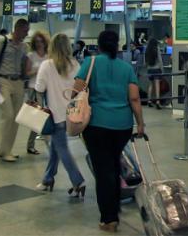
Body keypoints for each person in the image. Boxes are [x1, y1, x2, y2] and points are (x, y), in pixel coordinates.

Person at [75, 30, 145, 232]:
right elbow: (134, 98)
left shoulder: (90, 63)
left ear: (99, 45)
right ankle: (115, 206)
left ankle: (109, 219)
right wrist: (140, 123)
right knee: (114, 165)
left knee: (104, 171)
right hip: (122, 126)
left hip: (97, 125)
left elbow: (75, 91)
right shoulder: (126, 68)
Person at [34, 33, 84, 196]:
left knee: (62, 148)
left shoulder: (47, 65)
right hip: (73, 113)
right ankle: (48, 178)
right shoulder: (75, 64)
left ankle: (77, 181)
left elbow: (39, 88)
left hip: (55, 115)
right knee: (56, 147)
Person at [0, 19, 31, 162]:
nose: (27, 34)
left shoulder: (25, 46)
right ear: (17, 29)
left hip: (18, 82)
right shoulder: (2, 41)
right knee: (8, 115)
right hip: (2, 81)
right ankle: (4, 150)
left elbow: (25, 64)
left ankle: (7, 150)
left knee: (16, 118)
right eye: (25, 31)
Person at [26, 31, 50, 155]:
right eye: (36, 41)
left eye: (41, 41)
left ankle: (44, 143)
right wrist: (37, 71)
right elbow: (26, 73)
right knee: (38, 118)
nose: (39, 44)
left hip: (47, 89)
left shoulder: (48, 56)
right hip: (34, 89)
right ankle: (32, 145)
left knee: (46, 117)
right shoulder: (31, 55)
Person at [145, 38, 164, 110]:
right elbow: (160, 59)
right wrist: (162, 69)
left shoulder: (147, 49)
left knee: (150, 85)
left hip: (149, 69)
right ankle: (157, 102)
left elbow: (145, 61)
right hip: (157, 69)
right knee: (157, 86)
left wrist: (147, 68)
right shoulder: (156, 48)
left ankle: (149, 101)